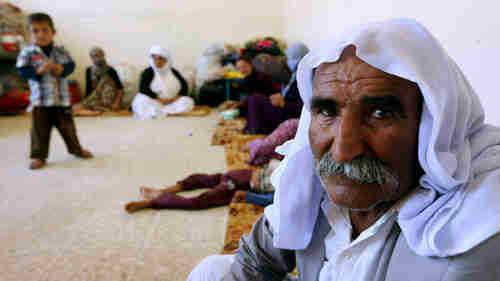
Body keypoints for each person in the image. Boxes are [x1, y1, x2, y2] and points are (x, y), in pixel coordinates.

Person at [187, 19, 500, 281]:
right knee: (212, 271)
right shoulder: (308, 180)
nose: (342, 150)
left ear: (433, 127)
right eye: (327, 112)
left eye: (380, 113)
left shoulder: (468, 232)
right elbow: (255, 263)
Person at [16, 13, 93, 170]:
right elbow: (22, 70)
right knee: (39, 131)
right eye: (35, 31)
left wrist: (61, 69)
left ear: (53, 32)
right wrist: (38, 71)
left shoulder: (60, 50)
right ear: (29, 34)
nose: (41, 34)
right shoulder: (27, 52)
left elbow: (71, 65)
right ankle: (38, 156)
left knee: (69, 128)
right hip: (41, 102)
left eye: (45, 30)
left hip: (61, 100)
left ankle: (76, 149)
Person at [124, 160, 280, 213]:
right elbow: (271, 199)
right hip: (240, 183)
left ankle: (160, 194)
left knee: (201, 179)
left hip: (240, 176)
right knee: (198, 202)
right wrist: (247, 196)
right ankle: (156, 199)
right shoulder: (295, 181)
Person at [239, 43, 308, 134]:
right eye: (239, 68)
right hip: (283, 106)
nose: (288, 62)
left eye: (290, 59)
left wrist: (284, 103)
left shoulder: (306, 78)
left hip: (288, 113)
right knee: (253, 99)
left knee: (254, 99)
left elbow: (305, 107)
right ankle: (252, 129)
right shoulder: (296, 75)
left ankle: (254, 132)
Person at [131, 45, 194, 119]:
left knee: (187, 101)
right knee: (140, 101)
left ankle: (161, 112)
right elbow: (143, 89)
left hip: (172, 102)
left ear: (166, 60)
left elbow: (184, 87)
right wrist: (159, 100)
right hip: (155, 102)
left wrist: (173, 99)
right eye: (155, 59)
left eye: (161, 59)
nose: (157, 62)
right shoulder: (148, 72)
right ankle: (162, 112)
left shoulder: (174, 72)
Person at [72, 47, 124, 116]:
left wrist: (116, 103)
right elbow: (89, 89)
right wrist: (85, 101)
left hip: (106, 99)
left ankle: (96, 112)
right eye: (95, 56)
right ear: (91, 58)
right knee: (73, 109)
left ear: (103, 56)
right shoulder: (89, 70)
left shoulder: (111, 70)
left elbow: (120, 89)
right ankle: (95, 113)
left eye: (100, 55)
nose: (98, 58)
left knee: (78, 110)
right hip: (94, 98)